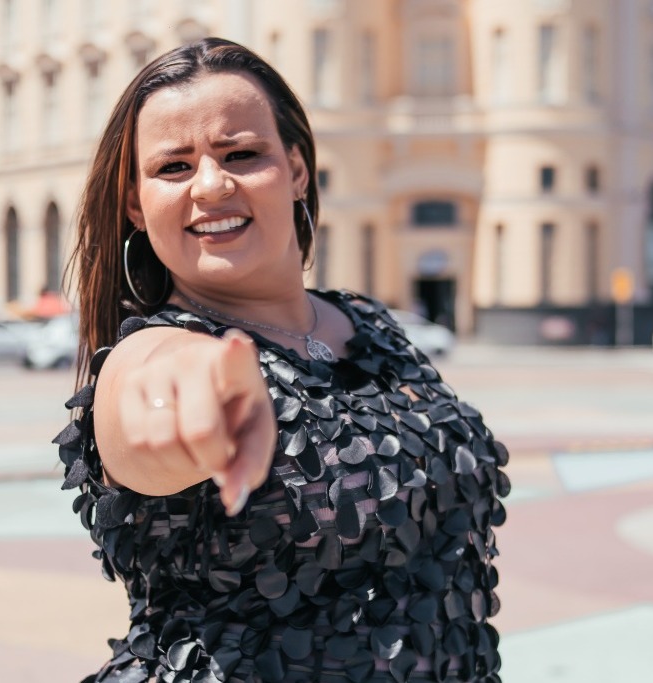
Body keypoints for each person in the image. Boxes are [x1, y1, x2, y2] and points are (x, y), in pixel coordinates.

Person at [55, 38, 510, 683]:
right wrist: (186, 406)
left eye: (241, 154)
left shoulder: (368, 323)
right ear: (136, 204)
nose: (212, 185)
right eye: (174, 167)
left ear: (296, 170)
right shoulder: (155, 350)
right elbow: (152, 388)